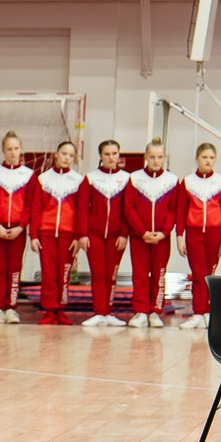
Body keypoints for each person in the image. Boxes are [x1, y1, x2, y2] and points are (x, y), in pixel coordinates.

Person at [123, 138, 181, 329]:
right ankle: (140, 311)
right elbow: (129, 208)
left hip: (162, 238)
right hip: (140, 237)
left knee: (158, 275)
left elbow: (174, 210)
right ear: (146, 157)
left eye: (160, 157)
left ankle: (155, 311)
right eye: (152, 157)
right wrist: (142, 232)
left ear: (165, 158)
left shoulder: (172, 181)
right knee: (140, 274)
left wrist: (164, 232)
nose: (156, 161)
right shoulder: (134, 178)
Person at [31, 142, 87, 326]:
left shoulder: (79, 180)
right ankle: (49, 310)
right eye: (64, 153)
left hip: (68, 235)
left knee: (64, 274)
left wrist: (78, 237)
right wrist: (33, 235)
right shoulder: (43, 179)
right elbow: (36, 209)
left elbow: (81, 211)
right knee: (48, 274)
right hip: (46, 233)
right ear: (56, 154)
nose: (67, 158)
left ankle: (61, 309)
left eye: (71, 155)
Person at [0, 133, 34, 324]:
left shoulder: (29, 175)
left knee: (14, 270)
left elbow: (30, 204)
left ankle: (11, 308)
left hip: (18, 231)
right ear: (3, 150)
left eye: (16, 149)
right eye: (9, 149)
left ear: (21, 149)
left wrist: (21, 227)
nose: (13, 153)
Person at [80, 138, 132, 329]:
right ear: (100, 156)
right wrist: (82, 234)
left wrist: (124, 234)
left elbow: (128, 210)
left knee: (111, 275)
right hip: (93, 234)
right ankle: (98, 312)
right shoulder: (90, 178)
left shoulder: (127, 179)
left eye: (114, 154)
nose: (111, 158)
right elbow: (83, 208)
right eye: (107, 154)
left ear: (119, 155)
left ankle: (108, 312)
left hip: (116, 236)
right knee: (98, 274)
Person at [179, 141, 221, 331]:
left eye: (211, 158)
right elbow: (180, 211)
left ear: (215, 159)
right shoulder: (187, 182)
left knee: (210, 274)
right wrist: (179, 236)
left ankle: (209, 313)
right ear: (197, 158)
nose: (208, 161)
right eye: (204, 157)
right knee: (198, 274)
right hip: (193, 234)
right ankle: (198, 313)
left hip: (215, 234)